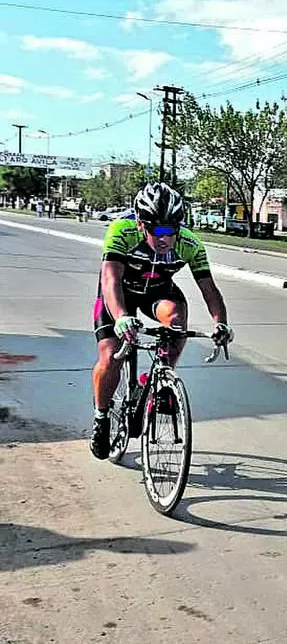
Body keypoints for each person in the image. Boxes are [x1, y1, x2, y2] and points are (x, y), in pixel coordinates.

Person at [90, 181, 234, 460]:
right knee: (110, 357)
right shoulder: (122, 231)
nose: (164, 238)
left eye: (170, 230)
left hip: (157, 293)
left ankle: (162, 377)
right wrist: (121, 317)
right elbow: (110, 279)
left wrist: (221, 323)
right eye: (156, 230)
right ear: (141, 224)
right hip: (119, 294)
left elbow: (209, 289)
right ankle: (101, 416)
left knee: (177, 320)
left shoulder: (190, 244)